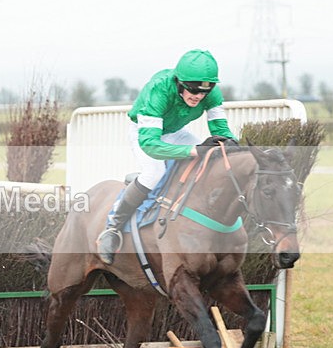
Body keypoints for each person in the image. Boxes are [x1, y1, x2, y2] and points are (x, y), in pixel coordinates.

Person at [96, 49, 238, 265]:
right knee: (154, 173)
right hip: (145, 134)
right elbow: (151, 145)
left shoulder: (212, 93)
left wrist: (230, 145)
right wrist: (194, 151)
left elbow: (220, 129)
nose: (198, 96)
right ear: (179, 82)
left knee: (211, 160)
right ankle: (113, 227)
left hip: (176, 133)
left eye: (204, 92)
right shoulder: (159, 89)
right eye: (192, 90)